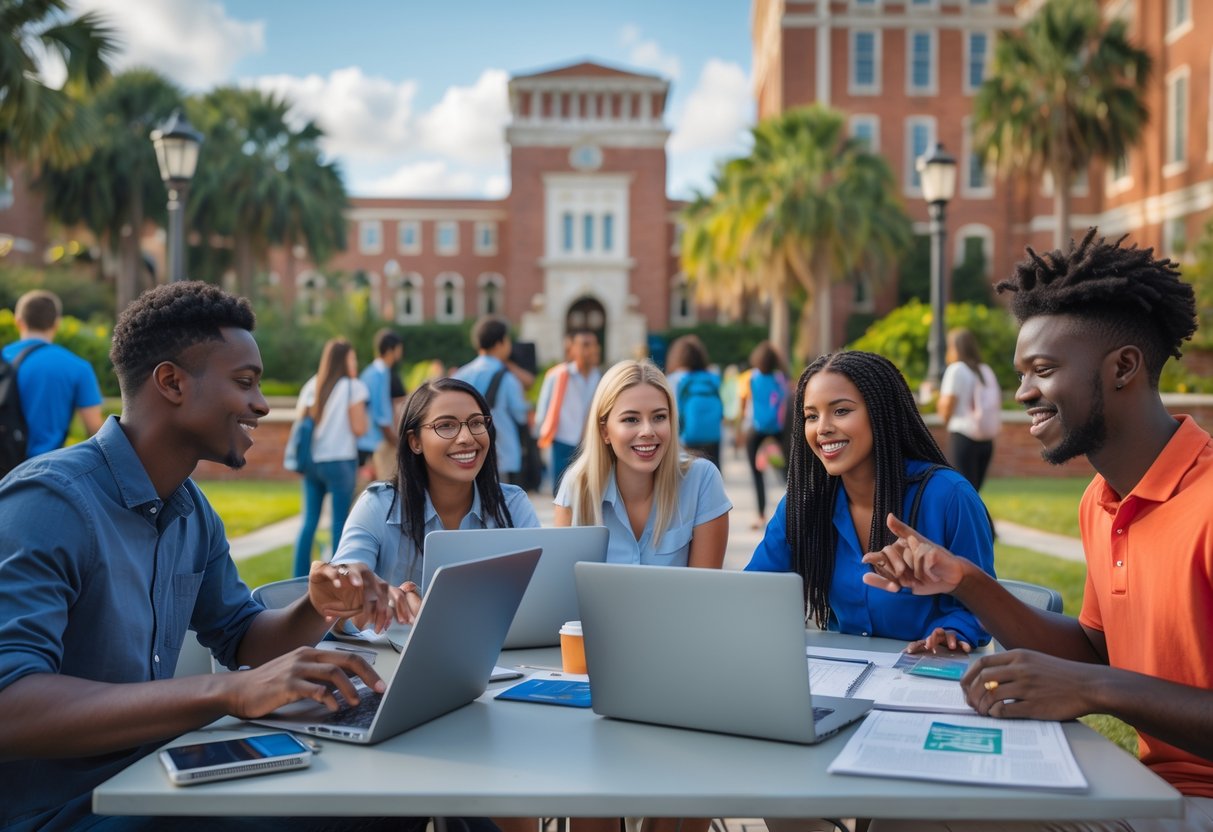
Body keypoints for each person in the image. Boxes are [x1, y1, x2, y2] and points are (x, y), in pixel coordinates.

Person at [0, 281, 428, 832]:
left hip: (160, 774)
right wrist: (230, 692)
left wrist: (315, 607)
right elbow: (10, 705)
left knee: (395, 795)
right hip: (66, 811)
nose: (261, 403)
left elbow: (241, 636)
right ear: (172, 383)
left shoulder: (189, 509)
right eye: (245, 382)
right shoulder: (49, 502)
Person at [866, 231, 1213, 832]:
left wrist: (1094, 689)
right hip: (1145, 790)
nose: (1023, 393)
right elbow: (1094, 651)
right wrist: (967, 581)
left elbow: (1094, 674)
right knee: (906, 803)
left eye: (1043, 370)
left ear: (1124, 367)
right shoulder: (1099, 502)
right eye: (1021, 373)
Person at [746, 350, 995, 651]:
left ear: (880, 413)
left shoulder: (949, 497)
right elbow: (753, 591)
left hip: (926, 676)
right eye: (811, 416)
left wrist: (953, 633)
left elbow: (984, 603)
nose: (822, 427)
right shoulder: (804, 504)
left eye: (841, 411)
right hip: (839, 679)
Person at [332, 377, 539, 594]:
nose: (466, 438)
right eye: (446, 426)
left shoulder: (512, 506)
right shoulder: (379, 506)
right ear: (415, 442)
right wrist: (385, 601)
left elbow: (543, 590)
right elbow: (341, 593)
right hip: (396, 629)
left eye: (476, 423)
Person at [555, 358, 731, 569]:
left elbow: (705, 592)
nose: (648, 431)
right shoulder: (577, 487)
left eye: (659, 417)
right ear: (604, 431)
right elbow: (565, 593)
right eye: (631, 419)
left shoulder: (702, 480)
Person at [292, 338, 369, 577]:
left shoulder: (312, 385)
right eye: (353, 357)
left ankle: (298, 577)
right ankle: (337, 576)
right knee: (340, 523)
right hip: (340, 462)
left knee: (309, 522)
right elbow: (359, 428)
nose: (355, 362)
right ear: (345, 359)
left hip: (313, 462)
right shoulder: (353, 387)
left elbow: (300, 423)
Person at [2, 289, 103, 460]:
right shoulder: (78, 367)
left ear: (18, 322)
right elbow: (95, 431)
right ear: (56, 324)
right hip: (45, 471)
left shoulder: (3, 358)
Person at [454, 316, 531, 486]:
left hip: (469, 453)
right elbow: (520, 415)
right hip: (504, 455)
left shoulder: (460, 375)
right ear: (500, 343)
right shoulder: (507, 377)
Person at [535, 328, 602, 495]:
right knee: (560, 491)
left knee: (586, 489)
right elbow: (543, 409)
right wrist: (543, 437)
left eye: (593, 344)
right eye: (585, 344)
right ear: (572, 348)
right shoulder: (558, 375)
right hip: (562, 440)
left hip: (589, 441)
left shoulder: (599, 377)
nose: (590, 349)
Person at [938, 327, 1002, 491]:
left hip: (963, 437)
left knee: (960, 491)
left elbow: (947, 406)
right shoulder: (985, 370)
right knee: (974, 492)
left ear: (955, 348)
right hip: (986, 440)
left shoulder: (956, 369)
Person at [736, 340, 791, 529]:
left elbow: (744, 404)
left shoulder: (751, 378)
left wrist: (740, 429)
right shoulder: (780, 378)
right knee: (788, 472)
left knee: (756, 474)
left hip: (756, 428)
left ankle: (760, 515)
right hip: (778, 428)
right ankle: (794, 510)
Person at [665, 334, 723, 469]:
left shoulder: (674, 379)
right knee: (711, 474)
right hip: (713, 437)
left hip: (685, 439)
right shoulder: (712, 378)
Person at [357, 327, 405, 482]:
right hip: (373, 442)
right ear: (391, 350)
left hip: (371, 440)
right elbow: (380, 414)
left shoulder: (372, 372)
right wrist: (395, 440)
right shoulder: (379, 374)